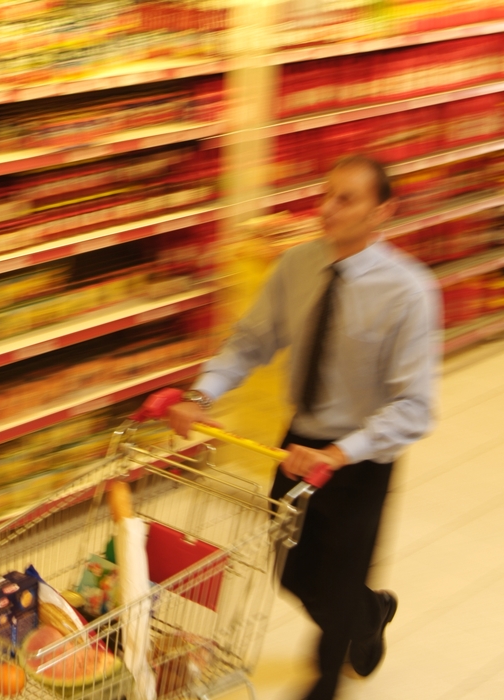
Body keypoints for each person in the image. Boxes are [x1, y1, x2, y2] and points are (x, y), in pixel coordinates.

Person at [166, 155, 441, 700]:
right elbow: (251, 342)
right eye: (327, 193)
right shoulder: (296, 266)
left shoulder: (408, 290)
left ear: (383, 211)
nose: (327, 209)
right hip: (300, 441)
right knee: (292, 573)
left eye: (346, 199)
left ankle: (327, 676)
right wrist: (202, 393)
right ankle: (372, 611)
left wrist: (342, 453)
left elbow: (414, 407)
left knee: (335, 590)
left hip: (361, 456)